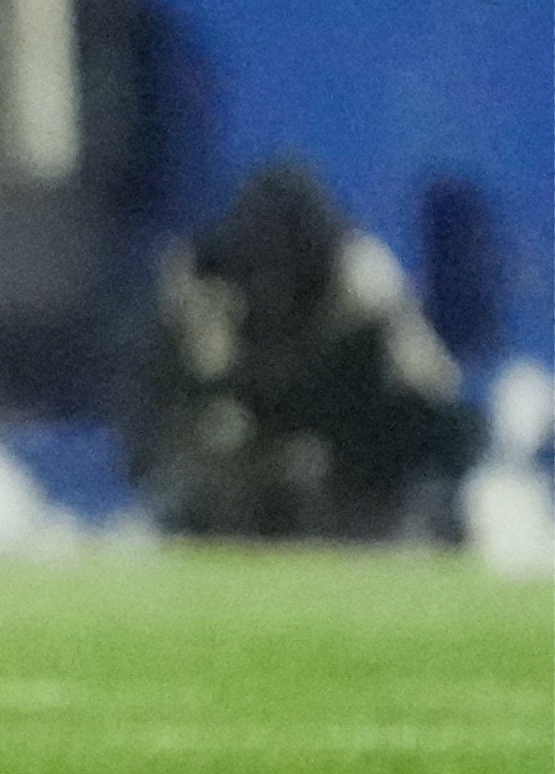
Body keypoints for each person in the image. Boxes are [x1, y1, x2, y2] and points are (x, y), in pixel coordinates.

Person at [135, 160, 479, 542]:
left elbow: (430, 382)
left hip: (341, 424)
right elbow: (191, 379)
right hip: (246, 420)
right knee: (214, 434)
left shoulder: (361, 277)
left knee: (433, 432)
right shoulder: (206, 274)